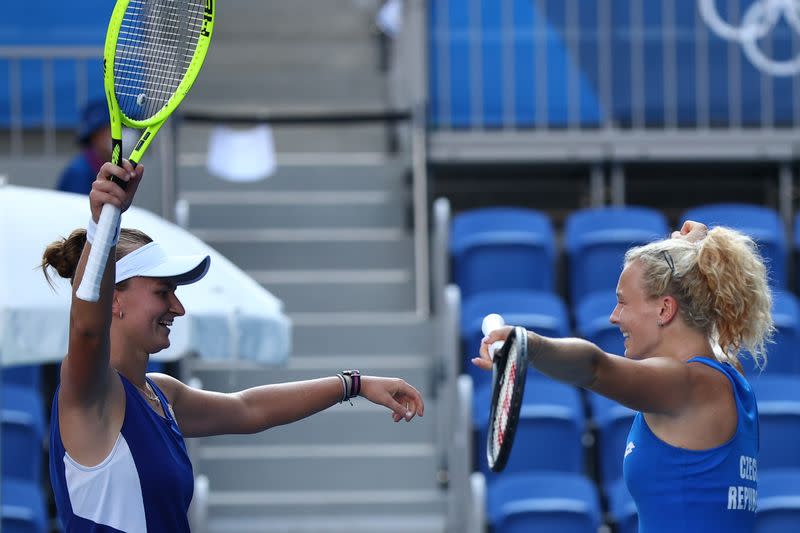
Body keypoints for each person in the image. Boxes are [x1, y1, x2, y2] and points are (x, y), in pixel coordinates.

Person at [42, 161, 425, 532]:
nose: (178, 306)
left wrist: (354, 384)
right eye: (163, 292)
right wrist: (102, 226)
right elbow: (87, 330)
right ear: (114, 300)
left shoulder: (162, 394)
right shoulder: (91, 393)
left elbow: (249, 409)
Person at [474, 220, 772, 532]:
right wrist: (694, 250)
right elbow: (703, 329)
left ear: (664, 309)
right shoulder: (728, 372)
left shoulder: (686, 385)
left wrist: (528, 346)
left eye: (622, 301)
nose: (614, 317)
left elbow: (594, 366)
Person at [56, 99, 112, 194]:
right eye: (111, 128)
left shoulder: (103, 164)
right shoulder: (79, 173)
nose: (121, 134)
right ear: (96, 136)